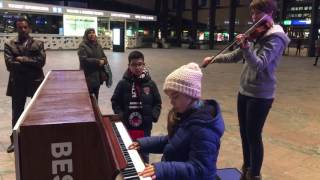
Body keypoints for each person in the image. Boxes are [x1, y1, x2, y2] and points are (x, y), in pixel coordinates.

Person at [202, 0, 290, 179]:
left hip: (260, 95)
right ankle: (246, 168)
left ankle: (254, 174)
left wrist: (246, 47)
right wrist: (214, 59)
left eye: (257, 13)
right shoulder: (257, 34)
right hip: (244, 91)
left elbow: (260, 65)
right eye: (252, 13)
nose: (253, 17)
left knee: (254, 137)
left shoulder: (276, 38)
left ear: (269, 13)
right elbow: (236, 56)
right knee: (244, 134)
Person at [128, 62, 225, 180]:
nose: (171, 102)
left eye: (175, 96)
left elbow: (200, 169)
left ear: (191, 94)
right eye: (170, 97)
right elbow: (172, 141)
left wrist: (162, 169)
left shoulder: (204, 129)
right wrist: (142, 144)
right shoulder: (186, 114)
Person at [4, 18, 46, 153]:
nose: (23, 30)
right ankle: (15, 140)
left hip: (35, 82)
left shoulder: (38, 43)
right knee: (17, 112)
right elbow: (10, 65)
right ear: (16, 29)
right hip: (18, 83)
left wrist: (22, 59)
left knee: (38, 113)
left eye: (25, 27)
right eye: (20, 28)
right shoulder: (9, 44)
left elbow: (41, 62)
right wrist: (31, 64)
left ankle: (38, 138)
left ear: (29, 28)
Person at [111, 50, 161, 163]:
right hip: (128, 125)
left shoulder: (150, 84)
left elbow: (158, 102)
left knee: (144, 152)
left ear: (144, 65)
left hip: (144, 127)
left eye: (140, 64)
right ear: (129, 66)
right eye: (134, 64)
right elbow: (115, 101)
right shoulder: (123, 84)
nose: (137, 67)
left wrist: (153, 115)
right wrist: (121, 115)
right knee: (129, 152)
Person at [78, 28, 112, 100]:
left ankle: (95, 110)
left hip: (97, 77)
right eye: (89, 33)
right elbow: (83, 60)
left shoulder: (98, 45)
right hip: (88, 76)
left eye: (93, 32)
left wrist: (103, 60)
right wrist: (98, 61)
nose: (92, 34)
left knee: (95, 96)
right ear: (86, 35)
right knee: (88, 97)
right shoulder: (83, 46)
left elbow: (104, 56)